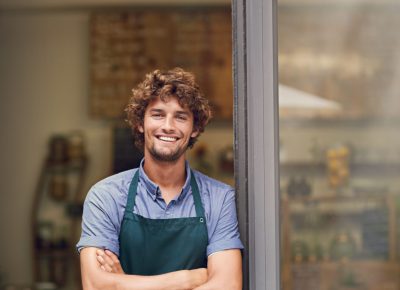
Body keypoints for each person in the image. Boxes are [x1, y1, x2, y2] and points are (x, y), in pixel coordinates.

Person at [77, 68, 244, 290]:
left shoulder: (220, 198)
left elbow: (227, 286)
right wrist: (186, 280)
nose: (168, 126)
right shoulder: (106, 196)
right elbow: (96, 286)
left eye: (180, 116)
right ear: (140, 122)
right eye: (157, 114)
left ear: (194, 128)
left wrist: (123, 284)